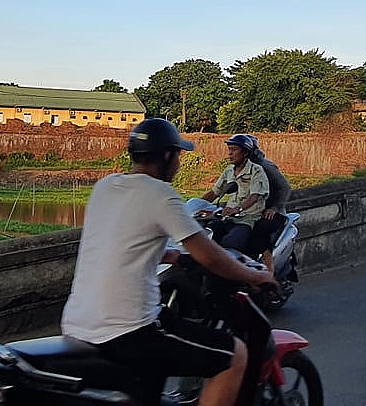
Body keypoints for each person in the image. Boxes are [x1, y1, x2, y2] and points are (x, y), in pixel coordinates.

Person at [60, 118, 276, 406]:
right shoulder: (161, 195)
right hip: (128, 330)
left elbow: (120, 241)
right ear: (166, 156)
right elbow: (211, 257)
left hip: (76, 323)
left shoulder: (105, 186)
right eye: (177, 156)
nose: (179, 164)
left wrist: (169, 255)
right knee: (235, 356)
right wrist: (256, 276)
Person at [199, 134, 269, 255]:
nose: (230, 153)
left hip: (246, 219)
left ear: (245, 153)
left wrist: (237, 209)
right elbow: (214, 192)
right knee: (203, 238)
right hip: (227, 218)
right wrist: (195, 206)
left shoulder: (256, 170)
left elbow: (254, 196)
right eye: (229, 149)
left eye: (234, 149)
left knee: (230, 244)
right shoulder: (229, 171)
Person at [240, 135, 292, 274]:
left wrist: (275, 208)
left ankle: (269, 272)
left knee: (259, 231)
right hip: (251, 210)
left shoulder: (265, 167)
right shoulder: (241, 169)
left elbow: (285, 187)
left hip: (271, 212)